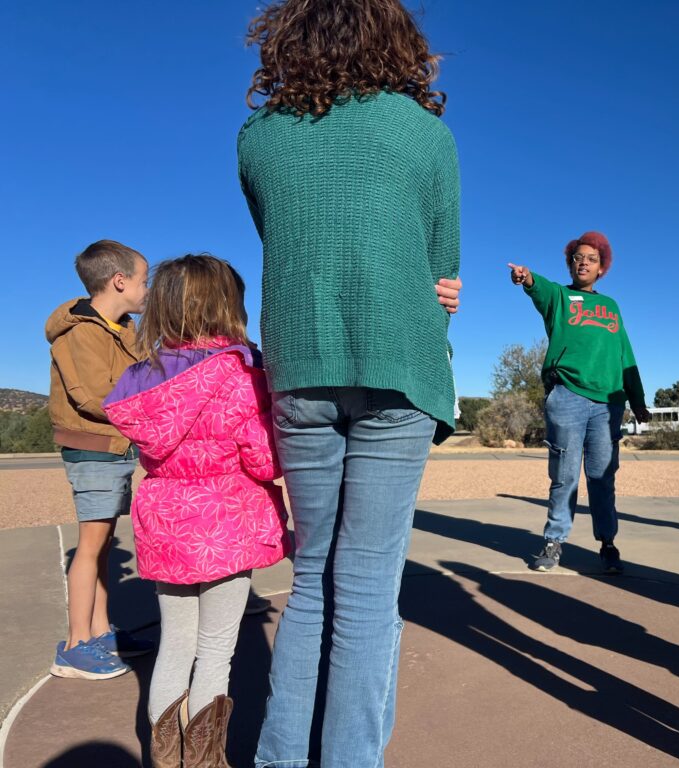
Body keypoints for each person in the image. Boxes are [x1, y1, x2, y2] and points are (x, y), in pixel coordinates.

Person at [236, 1, 461, 765]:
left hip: (301, 365)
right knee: (366, 590)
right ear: (396, 41)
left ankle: (278, 758)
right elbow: (441, 273)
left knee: (311, 581)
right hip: (399, 366)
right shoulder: (426, 135)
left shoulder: (258, 139)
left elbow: (291, 241)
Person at [103, 254, 291, 768]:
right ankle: (207, 761)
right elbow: (262, 457)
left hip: (166, 522)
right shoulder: (238, 373)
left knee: (176, 644)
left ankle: (165, 760)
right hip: (226, 523)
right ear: (228, 304)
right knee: (216, 651)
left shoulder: (145, 378)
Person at [509, 231, 651, 574]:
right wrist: (527, 277)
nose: (583, 262)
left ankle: (608, 544)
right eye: (578, 257)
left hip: (608, 405)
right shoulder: (559, 297)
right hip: (567, 397)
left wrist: (638, 399)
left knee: (603, 477)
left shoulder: (610, 307)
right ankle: (554, 542)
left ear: (601, 268)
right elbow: (538, 287)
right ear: (570, 264)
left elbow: (625, 355)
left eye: (591, 258)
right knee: (564, 476)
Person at [45, 239, 154, 680]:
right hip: (93, 447)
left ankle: (99, 632)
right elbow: (93, 395)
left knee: (103, 544)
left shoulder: (124, 328)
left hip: (115, 447)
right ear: (120, 281)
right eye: (144, 281)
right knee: (90, 546)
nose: (148, 290)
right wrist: (150, 406)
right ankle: (74, 647)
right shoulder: (80, 331)